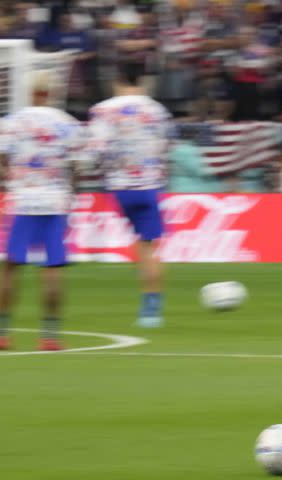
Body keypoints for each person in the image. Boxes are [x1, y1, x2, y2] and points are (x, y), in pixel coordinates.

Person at [0, 71, 83, 351]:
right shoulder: (67, 124)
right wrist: (70, 190)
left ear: (30, 92)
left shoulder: (13, 123)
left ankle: (3, 333)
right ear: (52, 94)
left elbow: (2, 158)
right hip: (55, 201)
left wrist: (11, 179)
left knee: (11, 267)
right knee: (52, 268)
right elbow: (77, 164)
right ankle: (50, 336)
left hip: (23, 199)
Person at [87, 61, 172, 327]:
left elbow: (95, 150)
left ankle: (149, 304)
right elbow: (165, 145)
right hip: (148, 186)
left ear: (118, 80)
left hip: (120, 187)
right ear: (143, 81)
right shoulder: (158, 111)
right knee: (149, 246)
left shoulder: (102, 111)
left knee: (141, 243)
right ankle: (151, 309)